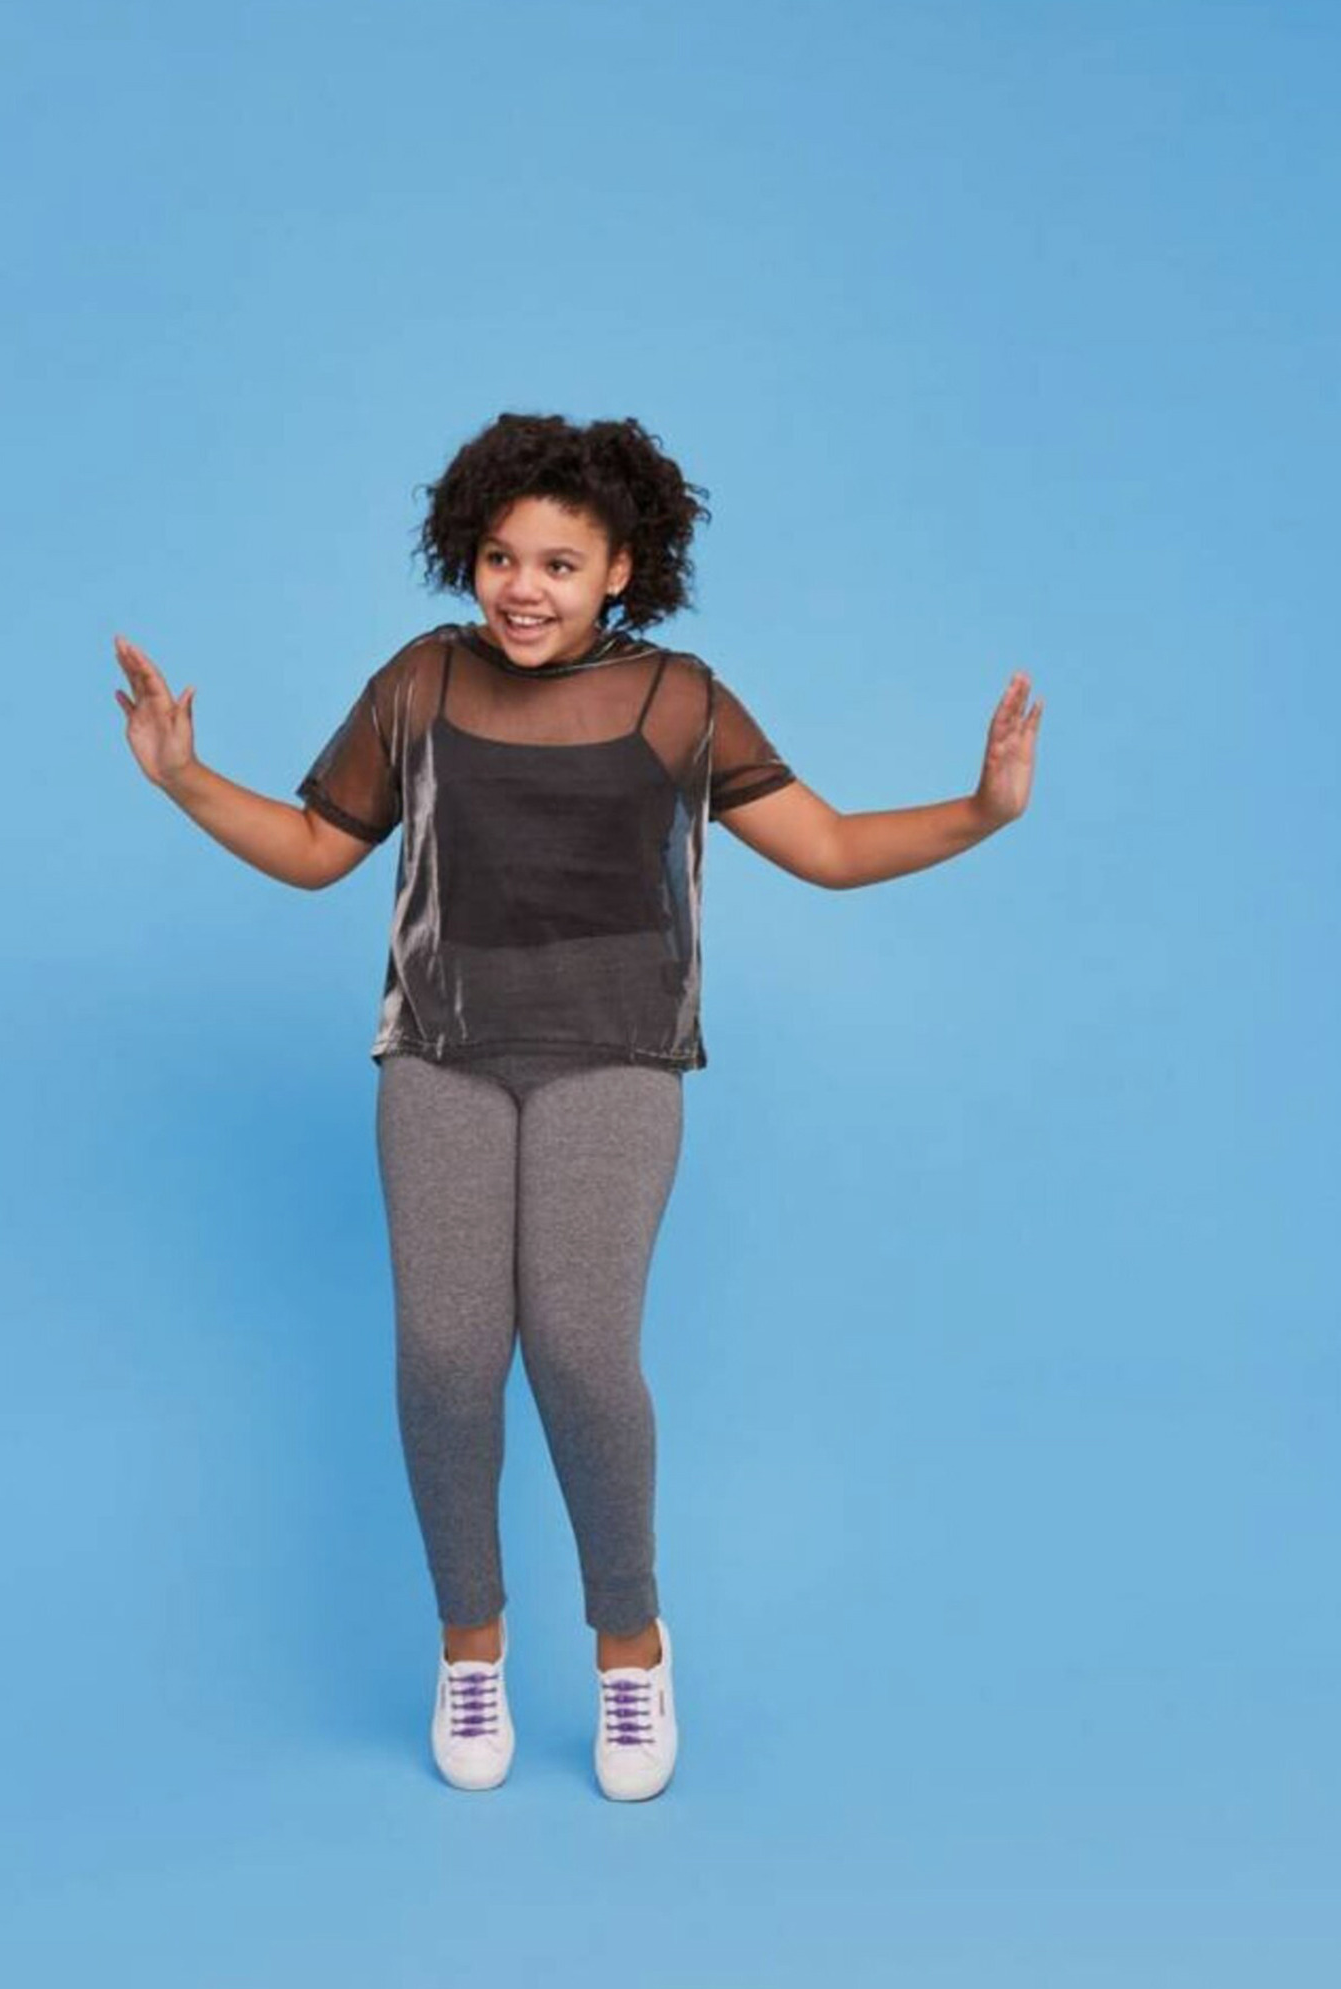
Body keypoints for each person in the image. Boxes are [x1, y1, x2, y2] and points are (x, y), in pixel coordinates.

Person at [113, 411, 1043, 1802]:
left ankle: (629, 1648)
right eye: (500, 557)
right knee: (444, 1357)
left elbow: (832, 848)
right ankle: (470, 1646)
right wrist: (185, 778)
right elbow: (314, 850)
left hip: (615, 1054)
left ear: (621, 570)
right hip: (442, 1050)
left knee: (580, 1352)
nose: (523, 588)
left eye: (558, 563)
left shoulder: (680, 699)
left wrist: (981, 811)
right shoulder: (421, 682)